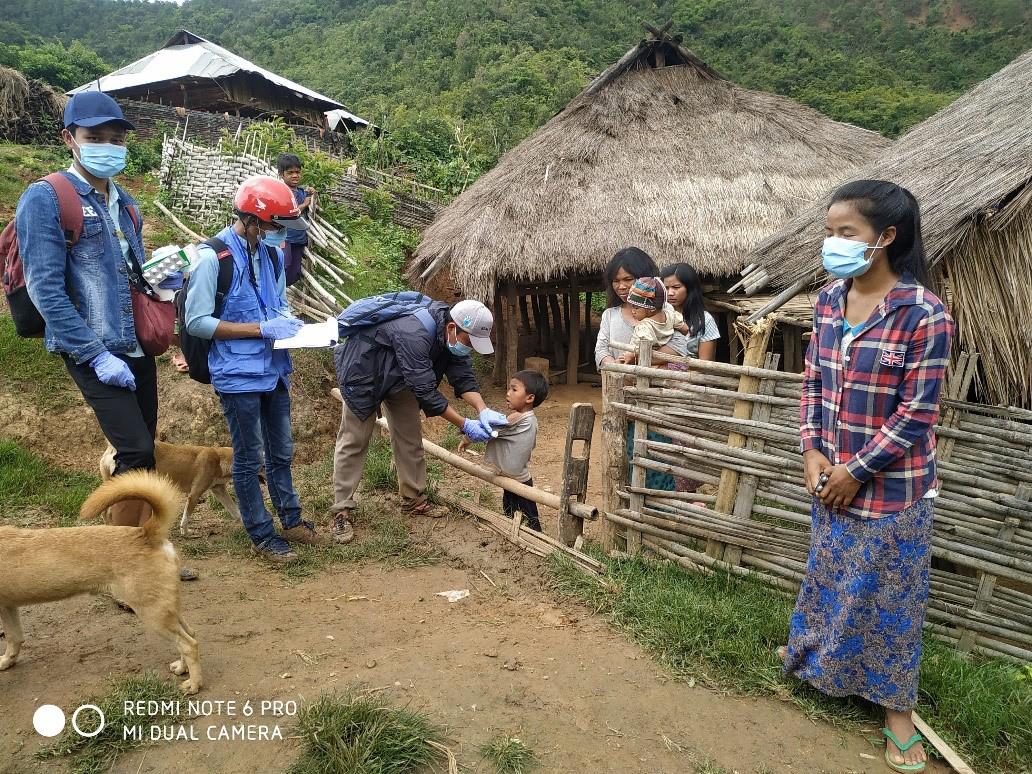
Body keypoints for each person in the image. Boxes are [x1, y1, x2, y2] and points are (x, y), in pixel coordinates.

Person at [782, 180, 954, 774]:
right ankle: (817, 661)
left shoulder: (923, 314)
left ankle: (896, 714)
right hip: (827, 474)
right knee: (829, 574)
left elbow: (918, 414)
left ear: (885, 238)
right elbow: (813, 383)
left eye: (845, 232)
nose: (833, 243)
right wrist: (811, 451)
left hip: (894, 487)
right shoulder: (828, 301)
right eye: (829, 232)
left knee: (891, 598)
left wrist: (856, 471)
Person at [17, 93, 188, 564]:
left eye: (115, 139)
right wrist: (93, 353)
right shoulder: (47, 197)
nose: (107, 147)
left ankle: (132, 555)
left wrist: (165, 279)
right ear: (70, 139)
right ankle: (118, 564)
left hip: (134, 345)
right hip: (92, 347)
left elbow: (129, 279)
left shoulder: (125, 203)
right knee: (133, 450)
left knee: (144, 453)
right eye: (95, 138)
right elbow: (45, 289)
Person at [183, 175, 329, 565]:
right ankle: (261, 535)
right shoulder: (212, 258)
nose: (278, 234)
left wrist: (295, 325)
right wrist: (260, 329)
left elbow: (277, 304)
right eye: (273, 226)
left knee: (281, 451)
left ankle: (291, 520)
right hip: (236, 375)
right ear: (250, 219)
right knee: (248, 458)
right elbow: (196, 321)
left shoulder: (272, 255)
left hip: (275, 369)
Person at [331, 297, 508, 543]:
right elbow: (425, 391)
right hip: (363, 372)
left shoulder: (453, 335)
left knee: (410, 437)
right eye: (470, 341)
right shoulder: (414, 332)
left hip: (399, 377)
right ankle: (341, 510)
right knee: (354, 440)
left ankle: (414, 500)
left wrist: (482, 409)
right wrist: (463, 424)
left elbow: (463, 375)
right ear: (451, 328)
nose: (470, 348)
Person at [594, 248, 688, 492]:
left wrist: (636, 364)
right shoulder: (610, 316)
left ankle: (658, 512)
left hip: (655, 399)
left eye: (628, 279)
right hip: (620, 400)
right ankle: (628, 511)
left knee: (656, 456)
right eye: (616, 281)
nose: (621, 286)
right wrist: (613, 368)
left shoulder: (665, 316)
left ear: (646, 279)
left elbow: (679, 349)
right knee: (623, 457)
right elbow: (601, 350)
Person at [459, 369, 548, 531]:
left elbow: (489, 430)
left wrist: (467, 437)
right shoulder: (527, 418)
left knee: (526, 512)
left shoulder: (517, 418)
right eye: (509, 389)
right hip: (513, 473)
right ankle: (517, 529)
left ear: (529, 398)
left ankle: (534, 534)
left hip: (517, 476)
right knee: (515, 507)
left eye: (514, 389)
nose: (508, 393)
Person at [660, 262, 720, 361]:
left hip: (690, 374)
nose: (670, 293)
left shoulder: (705, 320)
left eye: (676, 287)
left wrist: (672, 368)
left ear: (690, 288)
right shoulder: (657, 314)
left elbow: (705, 366)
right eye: (666, 288)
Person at [615, 277, 682, 364]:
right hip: (665, 361)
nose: (633, 311)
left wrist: (630, 355)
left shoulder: (643, 327)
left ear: (651, 309)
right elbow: (685, 329)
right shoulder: (671, 315)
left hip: (645, 361)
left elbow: (643, 345)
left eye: (636, 308)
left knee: (618, 364)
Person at [276, 153, 313, 287]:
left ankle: (280, 294)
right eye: (290, 172)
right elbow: (288, 212)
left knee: (295, 272)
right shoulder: (282, 192)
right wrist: (304, 205)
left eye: (297, 172)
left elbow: (310, 199)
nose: (295, 175)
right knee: (284, 265)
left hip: (299, 237)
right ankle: (274, 295)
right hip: (285, 237)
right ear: (281, 174)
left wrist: (311, 192)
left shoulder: (302, 191)